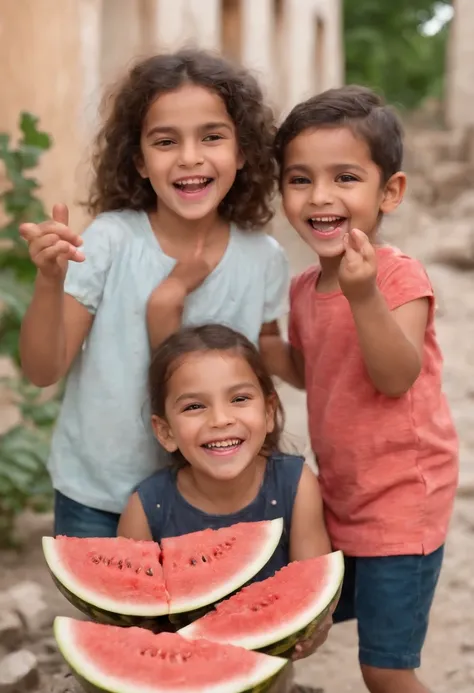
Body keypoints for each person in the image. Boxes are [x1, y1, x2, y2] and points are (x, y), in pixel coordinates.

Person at [18, 49, 289, 539]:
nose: (190, 157)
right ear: (140, 161)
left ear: (243, 150)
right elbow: (43, 370)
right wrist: (49, 281)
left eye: (212, 136)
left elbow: (269, 360)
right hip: (100, 494)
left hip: (210, 502)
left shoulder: (263, 258)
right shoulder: (110, 241)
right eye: (166, 141)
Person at [260, 85, 459, 693]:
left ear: (388, 192)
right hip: (342, 500)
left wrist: (363, 294)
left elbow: (394, 375)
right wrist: (264, 336)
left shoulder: (398, 276)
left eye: (345, 177)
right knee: (288, 626)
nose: (320, 196)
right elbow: (312, 371)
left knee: (385, 669)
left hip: (403, 503)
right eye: (300, 179)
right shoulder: (298, 290)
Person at [118, 323, 332, 668]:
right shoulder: (146, 508)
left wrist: (315, 626)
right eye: (193, 407)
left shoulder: (295, 485)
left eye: (239, 399)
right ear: (165, 431)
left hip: (268, 669)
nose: (220, 419)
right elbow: (133, 624)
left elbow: (314, 588)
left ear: (268, 411)